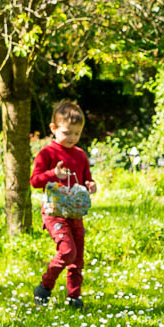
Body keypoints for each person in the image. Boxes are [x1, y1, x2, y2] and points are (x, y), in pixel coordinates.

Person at [29, 99, 97, 310]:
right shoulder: (47, 153)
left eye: (76, 134)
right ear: (54, 128)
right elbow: (35, 180)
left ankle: (74, 297)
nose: (71, 138)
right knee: (67, 251)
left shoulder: (80, 155)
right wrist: (53, 174)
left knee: (78, 258)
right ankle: (44, 286)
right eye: (67, 133)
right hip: (54, 212)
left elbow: (86, 179)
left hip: (75, 213)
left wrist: (91, 185)